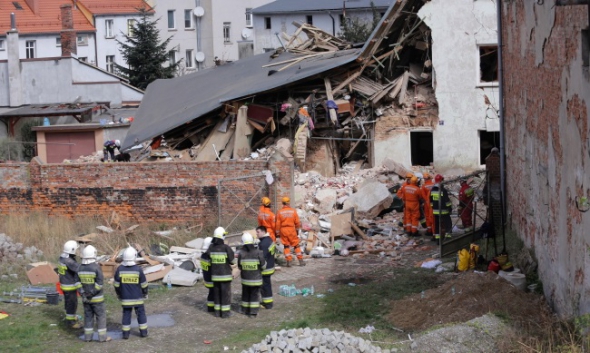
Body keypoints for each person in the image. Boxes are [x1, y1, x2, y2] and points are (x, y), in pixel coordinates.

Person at [114, 247, 148, 339]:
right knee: (141, 314)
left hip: (125, 298)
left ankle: (125, 334)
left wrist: (119, 294)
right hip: (138, 298)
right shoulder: (138, 269)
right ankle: (144, 333)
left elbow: (116, 285)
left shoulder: (120, 269)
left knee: (126, 314)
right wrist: (145, 293)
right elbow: (144, 284)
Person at [78, 245, 110, 342]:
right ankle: (102, 337)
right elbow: (99, 284)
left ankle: (88, 337)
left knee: (88, 317)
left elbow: (77, 283)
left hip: (85, 299)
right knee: (101, 317)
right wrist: (92, 293)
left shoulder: (79, 268)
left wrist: (83, 293)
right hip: (97, 299)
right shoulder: (96, 267)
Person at [207, 227, 235, 318]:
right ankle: (225, 313)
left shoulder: (211, 247)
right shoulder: (226, 248)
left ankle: (217, 312)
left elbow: (208, 259)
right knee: (225, 294)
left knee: (217, 293)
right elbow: (233, 261)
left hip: (215, 276)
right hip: (225, 276)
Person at [237, 232, 266, 317]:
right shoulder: (259, 253)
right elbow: (263, 266)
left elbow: (239, 266)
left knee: (245, 294)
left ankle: (244, 310)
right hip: (256, 280)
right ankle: (253, 312)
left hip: (245, 280)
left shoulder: (241, 254)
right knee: (254, 295)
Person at [58, 240, 82, 328]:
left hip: (64, 284)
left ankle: (69, 315)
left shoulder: (62, 258)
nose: (77, 251)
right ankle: (71, 322)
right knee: (72, 303)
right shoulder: (69, 261)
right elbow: (79, 269)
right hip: (70, 286)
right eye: (76, 249)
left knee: (68, 302)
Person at [276, 196, 305, 267]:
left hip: (283, 230)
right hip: (292, 229)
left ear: (282, 203)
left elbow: (277, 224)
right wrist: (297, 230)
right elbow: (297, 222)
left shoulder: (280, 212)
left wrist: (278, 233)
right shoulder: (293, 211)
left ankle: (289, 262)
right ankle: (301, 261)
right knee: (296, 245)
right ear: (288, 203)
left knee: (286, 246)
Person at [256, 226, 275, 309]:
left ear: (263, 232)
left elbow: (262, 257)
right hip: (270, 266)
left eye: (258, 232)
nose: (256, 234)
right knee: (267, 285)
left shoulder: (263, 243)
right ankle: (267, 302)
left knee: (265, 286)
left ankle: (267, 304)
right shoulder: (269, 240)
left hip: (265, 269)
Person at [430, 174, 453, 243]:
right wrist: (450, 208)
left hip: (436, 211)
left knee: (437, 225)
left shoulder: (432, 190)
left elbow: (431, 201)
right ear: (441, 181)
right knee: (448, 223)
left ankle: (438, 239)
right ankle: (448, 238)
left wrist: (433, 207)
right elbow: (447, 201)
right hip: (444, 211)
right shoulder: (443, 190)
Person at [199, 237, 214, 312]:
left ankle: (210, 308)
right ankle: (214, 308)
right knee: (214, 293)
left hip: (206, 279)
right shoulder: (210, 256)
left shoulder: (203, 256)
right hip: (212, 279)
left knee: (211, 293)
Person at [421, 173, 435, 237]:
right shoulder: (434, 185)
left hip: (427, 204)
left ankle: (429, 230)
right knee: (434, 217)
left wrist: (426, 201)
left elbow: (423, 196)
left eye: (424, 179)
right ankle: (434, 230)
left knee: (428, 217)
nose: (424, 180)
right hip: (434, 203)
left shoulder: (424, 186)